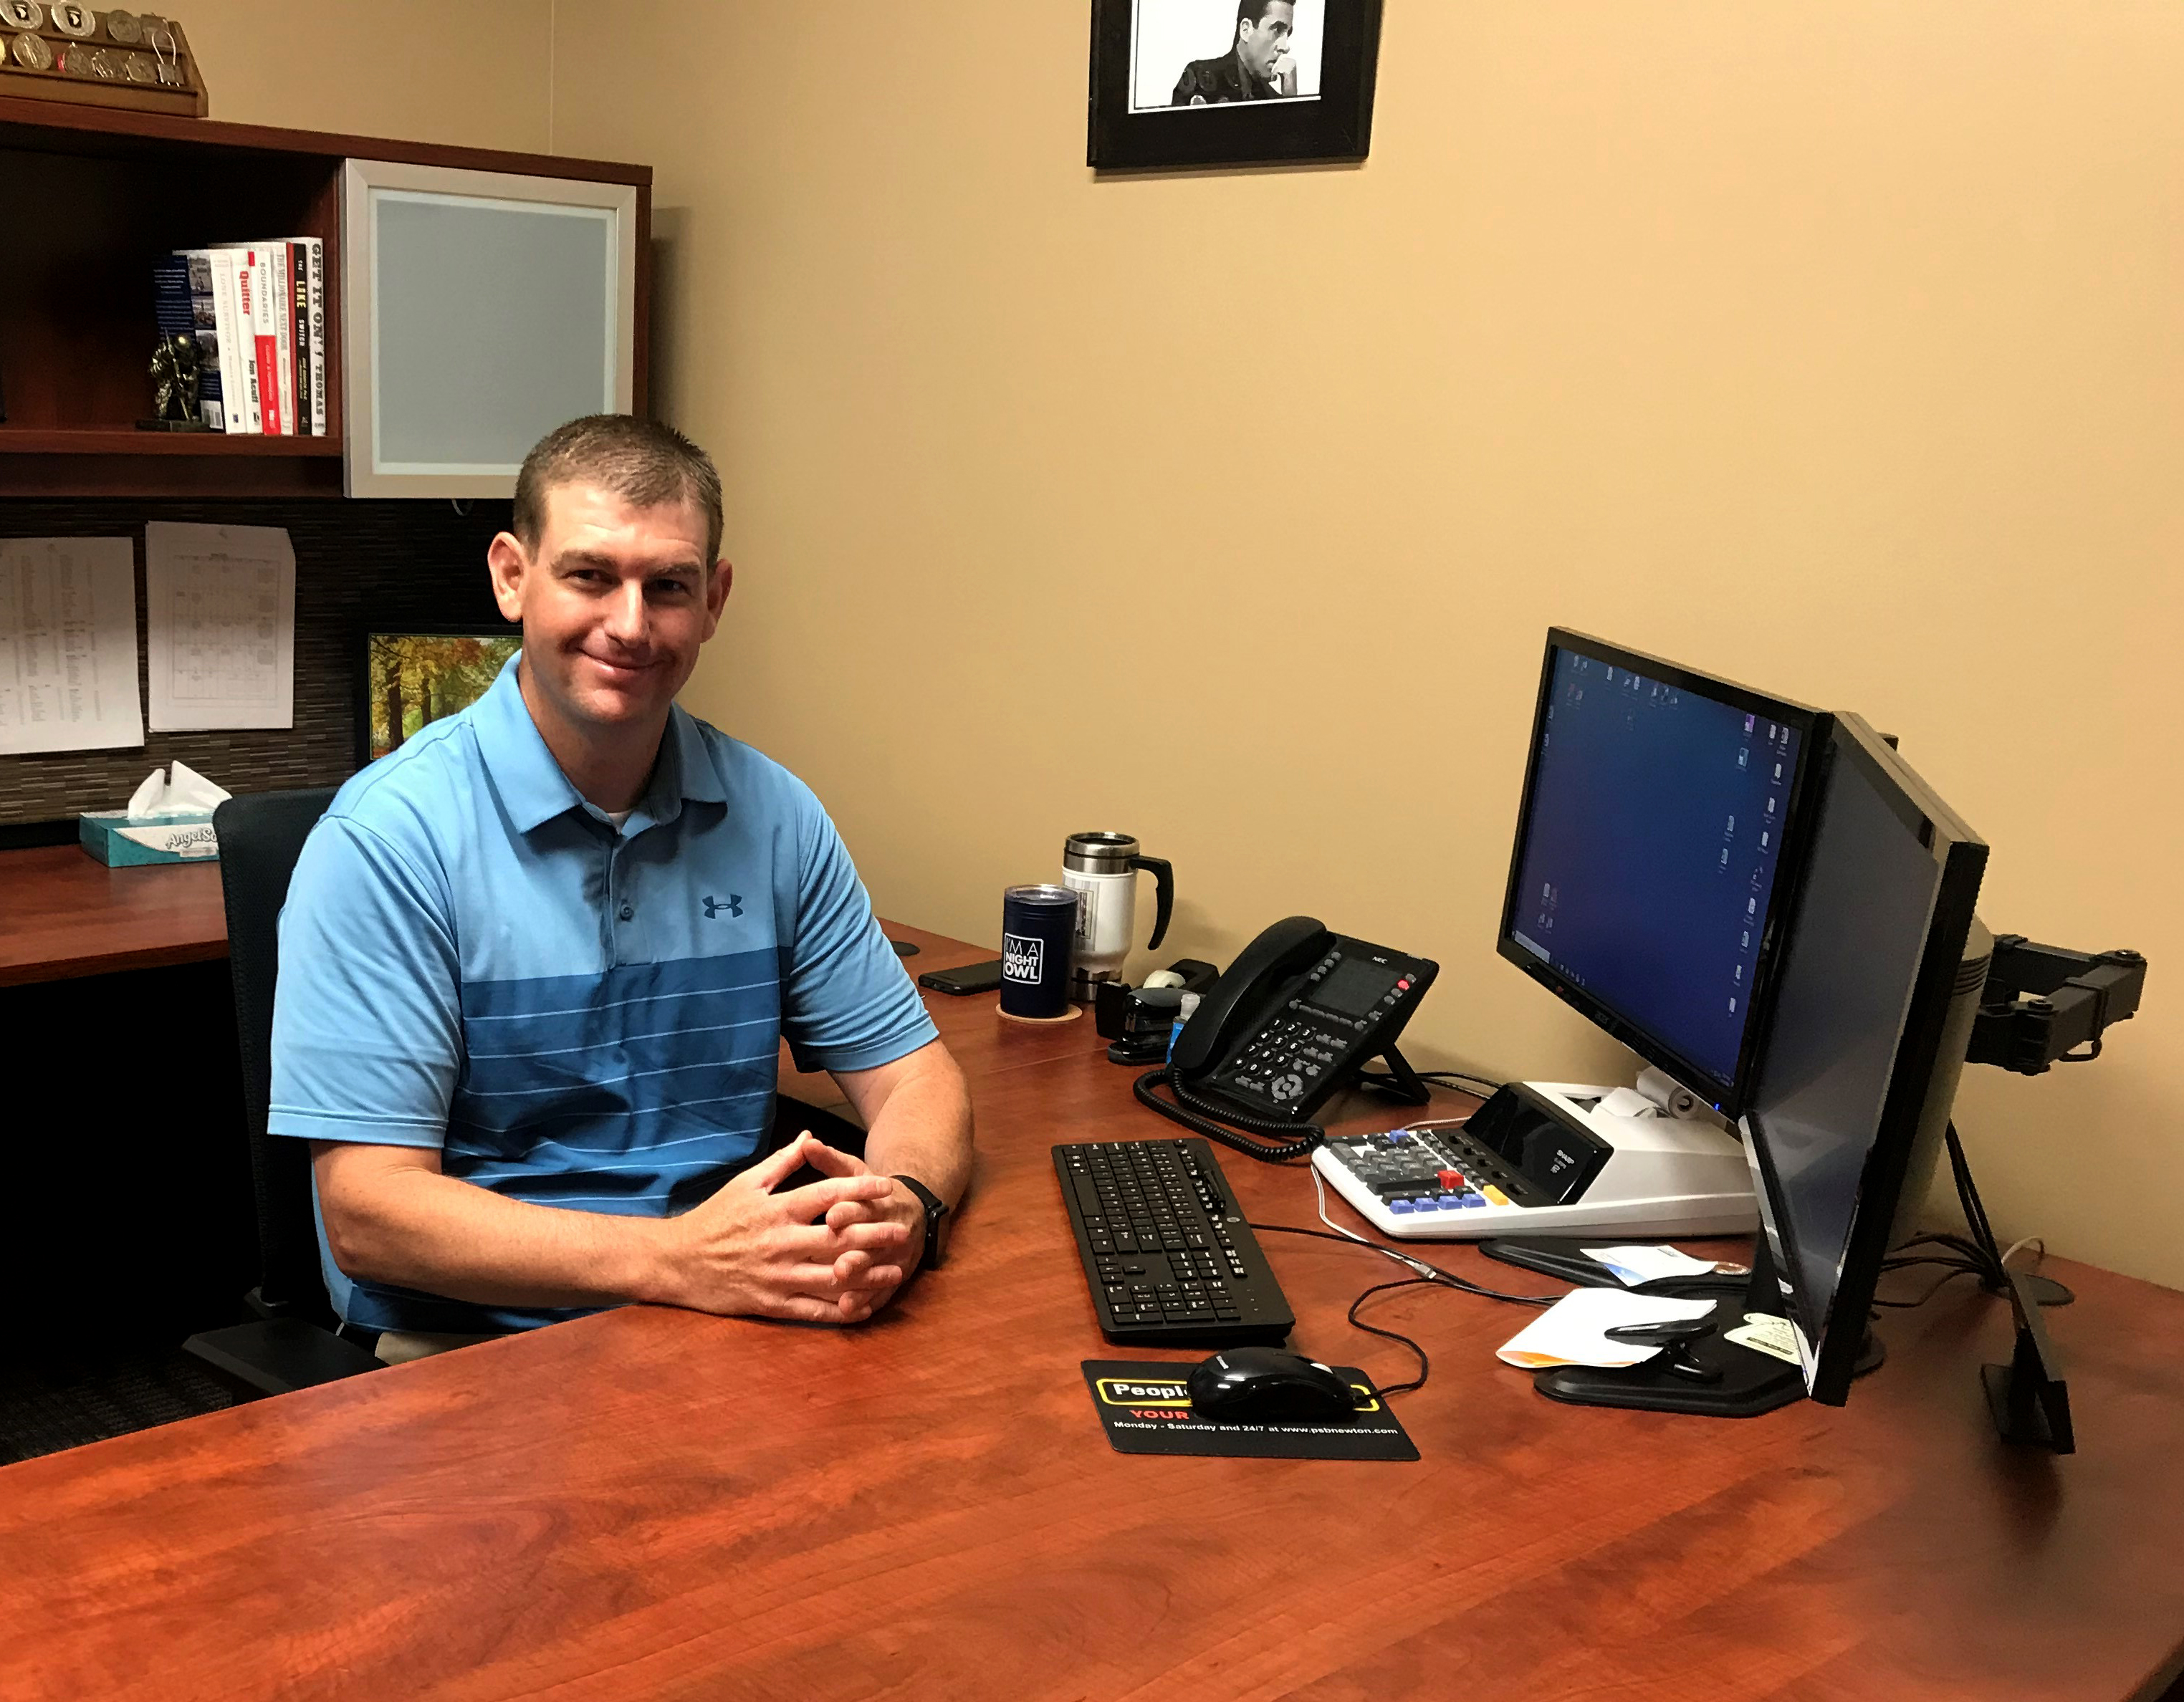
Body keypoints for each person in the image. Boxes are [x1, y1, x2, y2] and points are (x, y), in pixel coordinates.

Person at [269, 415, 972, 1365]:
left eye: (669, 586)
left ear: (714, 598)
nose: (631, 625)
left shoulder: (775, 817)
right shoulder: (388, 842)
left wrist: (906, 1206)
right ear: (513, 575)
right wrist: (680, 1259)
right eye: (590, 575)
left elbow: (917, 1080)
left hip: (727, 1311)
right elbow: (369, 1213)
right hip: (470, 1344)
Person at [1171, 0, 1298, 106]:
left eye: (1288, 34)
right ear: (1246, 30)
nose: (1285, 47)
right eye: (1277, 30)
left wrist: (1291, 100)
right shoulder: (1199, 78)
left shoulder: (1276, 99)